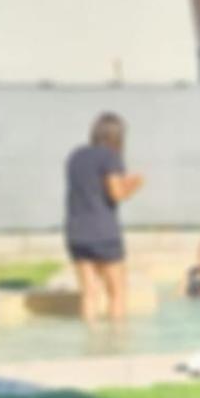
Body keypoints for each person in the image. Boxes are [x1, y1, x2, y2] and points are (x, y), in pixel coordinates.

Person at [65, 112, 144, 322]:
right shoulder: (110, 156)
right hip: (103, 233)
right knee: (117, 292)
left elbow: (90, 191)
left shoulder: (76, 156)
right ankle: (116, 346)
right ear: (117, 136)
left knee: (89, 294)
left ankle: (90, 345)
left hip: (76, 233)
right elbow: (115, 194)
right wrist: (134, 185)